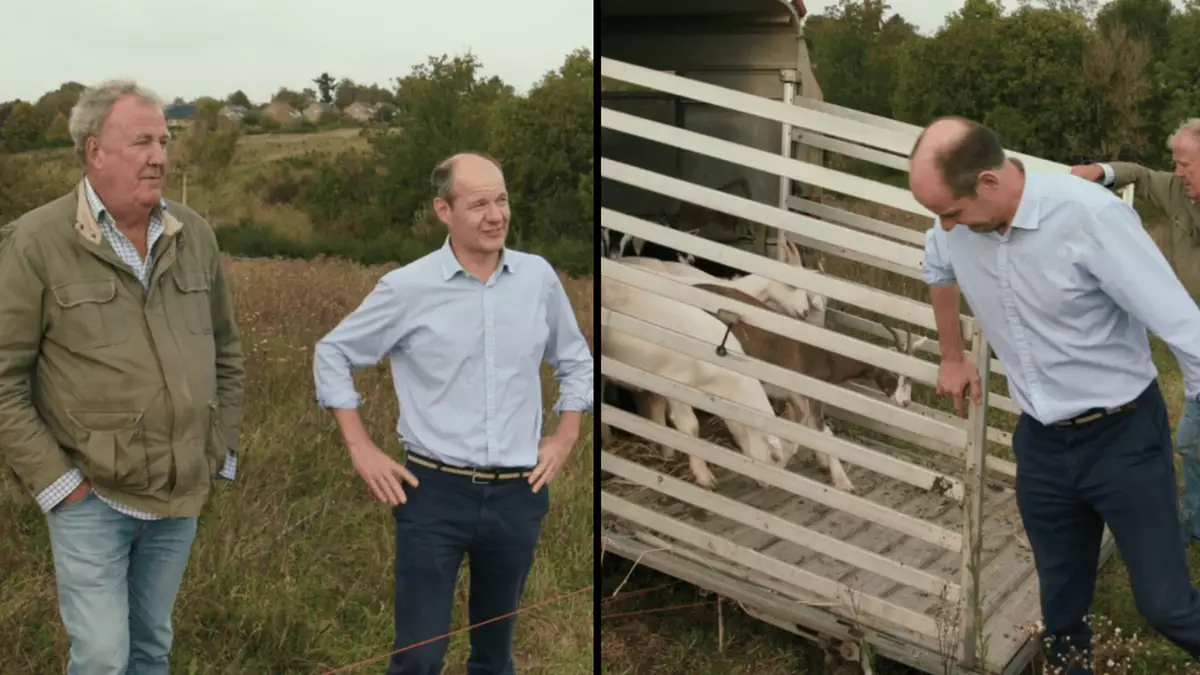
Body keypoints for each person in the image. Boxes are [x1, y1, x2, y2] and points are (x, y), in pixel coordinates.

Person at [911, 115, 1200, 674]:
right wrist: (951, 353)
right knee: (1062, 607)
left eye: (951, 212)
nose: (944, 225)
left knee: (1164, 604)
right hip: (1042, 446)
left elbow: (1183, 327)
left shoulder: (1090, 217)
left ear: (989, 183)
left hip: (1123, 438)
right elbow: (937, 267)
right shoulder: (954, 224)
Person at [312, 152, 593, 675]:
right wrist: (360, 447)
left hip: (517, 493)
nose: (495, 215)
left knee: (494, 654)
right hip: (432, 494)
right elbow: (333, 353)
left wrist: (566, 435)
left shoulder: (538, 279)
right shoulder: (407, 287)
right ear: (444, 210)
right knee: (419, 658)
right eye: (479, 203)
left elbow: (575, 359)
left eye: (502, 199)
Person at [0, 79, 245, 674]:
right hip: (92, 496)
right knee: (104, 658)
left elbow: (227, 353)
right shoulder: (36, 241)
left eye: (163, 140)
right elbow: (5, 378)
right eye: (141, 141)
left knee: (151, 648)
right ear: (94, 151)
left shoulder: (194, 235)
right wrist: (60, 486)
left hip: (179, 497)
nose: (159, 155)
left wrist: (216, 450)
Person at [1070, 121, 1200, 541]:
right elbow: (1141, 177)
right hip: (1194, 343)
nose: (1178, 172)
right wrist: (1100, 172)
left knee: (1189, 439)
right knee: (1191, 440)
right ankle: (1195, 520)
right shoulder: (1181, 193)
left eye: (1186, 164)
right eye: (1177, 164)